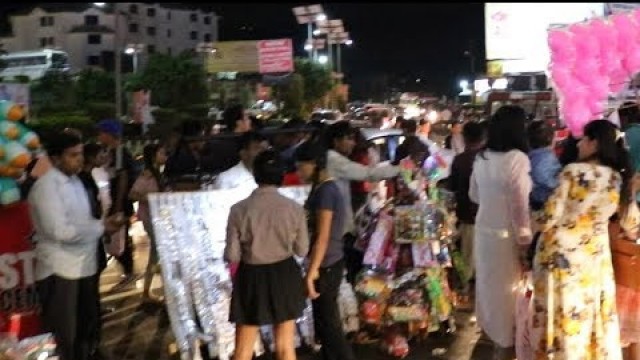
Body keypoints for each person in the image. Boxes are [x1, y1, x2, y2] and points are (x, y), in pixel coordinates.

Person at [531, 119, 634, 359]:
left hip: (562, 257)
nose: (579, 145)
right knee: (588, 313)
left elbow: (548, 218)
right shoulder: (616, 179)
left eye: (584, 140)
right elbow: (630, 221)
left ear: (595, 143)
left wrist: (535, 214)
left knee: (561, 313)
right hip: (595, 258)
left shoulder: (572, 172)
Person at [28, 131, 125, 360]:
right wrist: (101, 228)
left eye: (80, 154)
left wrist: (103, 224)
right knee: (65, 335)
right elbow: (59, 231)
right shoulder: (46, 187)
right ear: (54, 158)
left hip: (84, 266)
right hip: (60, 270)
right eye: (73, 155)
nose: (80, 159)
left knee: (85, 328)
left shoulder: (76, 182)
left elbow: (82, 222)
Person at [224, 149, 309, 360]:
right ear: (281, 174)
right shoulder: (295, 209)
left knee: (243, 349)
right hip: (285, 275)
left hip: (251, 277)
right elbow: (302, 250)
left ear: (255, 175)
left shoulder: (238, 210)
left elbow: (232, 255)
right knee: (285, 347)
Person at [468, 105, 532, 359]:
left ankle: (496, 343)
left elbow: (474, 195)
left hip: (484, 235)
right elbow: (519, 207)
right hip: (506, 240)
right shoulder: (517, 159)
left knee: (490, 293)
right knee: (509, 300)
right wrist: (525, 241)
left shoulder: (481, 158)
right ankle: (504, 350)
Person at [295, 141, 356, 360]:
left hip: (327, 263)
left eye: (301, 166)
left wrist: (312, 272)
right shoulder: (322, 189)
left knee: (330, 326)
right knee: (325, 323)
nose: (298, 171)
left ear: (315, 164)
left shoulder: (326, 192)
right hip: (327, 261)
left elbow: (323, 236)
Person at [325, 121, 400, 284]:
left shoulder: (337, 159)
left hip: (341, 223)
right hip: (337, 227)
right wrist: (400, 169)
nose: (353, 143)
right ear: (335, 141)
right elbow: (367, 173)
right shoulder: (333, 160)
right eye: (349, 139)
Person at [448, 121, 486, 300]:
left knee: (468, 256)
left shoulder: (460, 160)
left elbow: (453, 187)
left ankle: (465, 292)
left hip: (467, 214)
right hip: (486, 215)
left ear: (464, 138)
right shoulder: (488, 159)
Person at [97, 119, 138, 284]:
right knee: (118, 239)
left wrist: (118, 205)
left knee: (118, 239)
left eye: (101, 133)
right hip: (114, 204)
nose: (99, 137)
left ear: (109, 135)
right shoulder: (113, 153)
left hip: (119, 205)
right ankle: (128, 270)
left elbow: (122, 179)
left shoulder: (120, 155)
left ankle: (129, 271)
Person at [129, 143, 168, 303]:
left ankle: (148, 292)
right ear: (153, 156)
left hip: (157, 218)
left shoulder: (158, 173)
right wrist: (151, 199)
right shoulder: (147, 175)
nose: (165, 156)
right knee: (158, 254)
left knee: (156, 254)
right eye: (162, 153)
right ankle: (150, 293)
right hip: (151, 218)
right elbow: (132, 194)